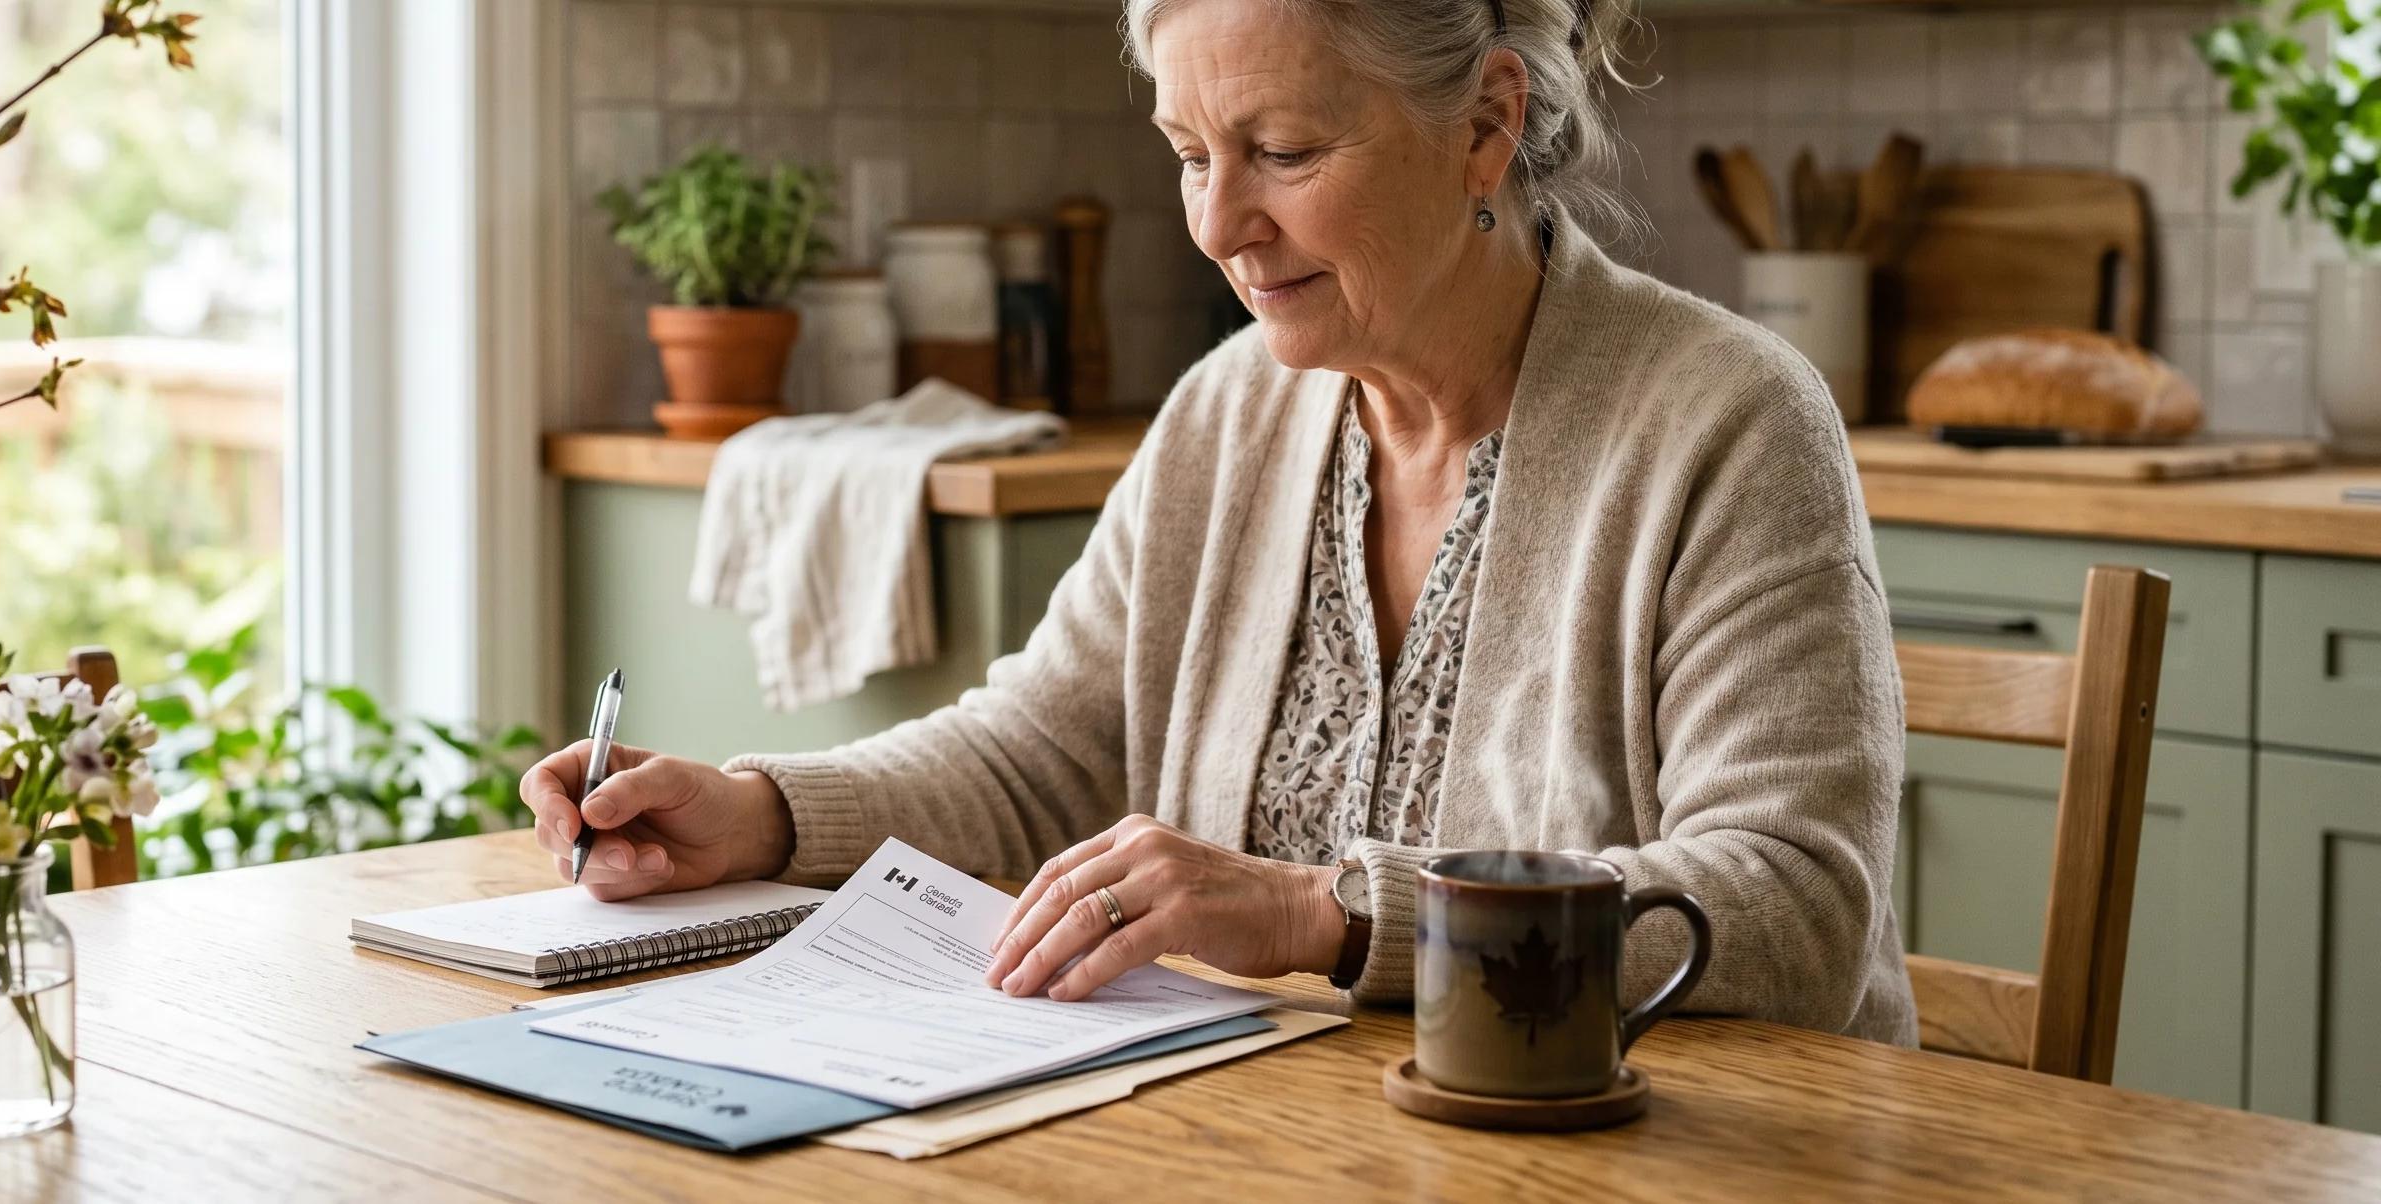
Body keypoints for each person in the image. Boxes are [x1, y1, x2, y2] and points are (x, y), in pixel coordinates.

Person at [522, 0, 1916, 1043]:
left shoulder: (1729, 422)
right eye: (1191, 152)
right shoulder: (1225, 415)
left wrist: (1328, 913)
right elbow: (1044, 754)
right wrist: (762, 815)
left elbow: (1788, 905)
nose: (1218, 223)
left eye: (1284, 150)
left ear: (1487, 127)